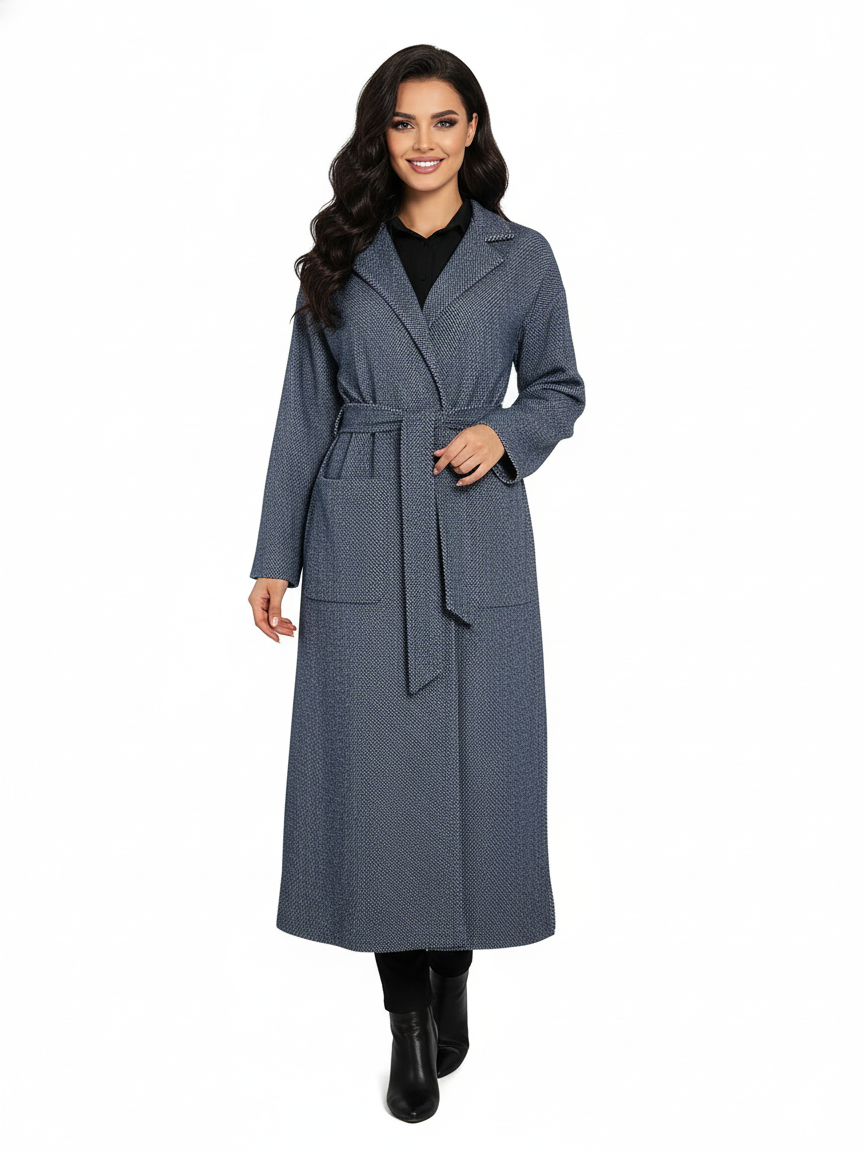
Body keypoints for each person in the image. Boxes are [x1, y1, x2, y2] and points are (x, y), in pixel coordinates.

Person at [247, 44, 586, 1123]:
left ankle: (455, 971)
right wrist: (275, 556)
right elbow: (305, 412)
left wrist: (507, 432)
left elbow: (562, 387)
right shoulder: (341, 257)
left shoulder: (522, 258)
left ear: (473, 130)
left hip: (476, 528)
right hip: (360, 528)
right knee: (381, 785)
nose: (424, 143)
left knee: (479, 770)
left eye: (444, 121)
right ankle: (404, 1021)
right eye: (403, 123)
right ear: (379, 135)